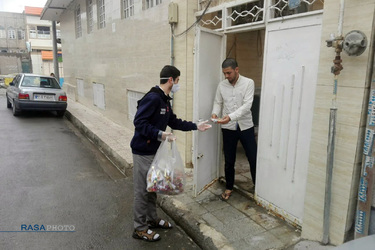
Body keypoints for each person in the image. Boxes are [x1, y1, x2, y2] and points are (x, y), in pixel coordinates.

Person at [130, 65, 211, 242]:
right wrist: (160, 134)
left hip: (154, 150)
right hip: (143, 150)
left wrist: (196, 126)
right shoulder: (153, 98)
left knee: (152, 187)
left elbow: (174, 122)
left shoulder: (165, 100)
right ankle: (140, 228)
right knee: (142, 191)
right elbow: (139, 122)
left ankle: (151, 219)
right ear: (170, 80)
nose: (177, 85)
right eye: (177, 81)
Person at [211, 58, 257, 201]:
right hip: (228, 128)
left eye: (229, 73)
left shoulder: (249, 83)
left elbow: (247, 105)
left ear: (236, 70)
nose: (226, 76)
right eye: (224, 73)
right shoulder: (222, 85)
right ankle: (229, 187)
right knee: (229, 159)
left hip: (246, 126)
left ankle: (257, 186)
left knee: (253, 157)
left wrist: (230, 117)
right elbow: (218, 102)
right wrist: (215, 113)